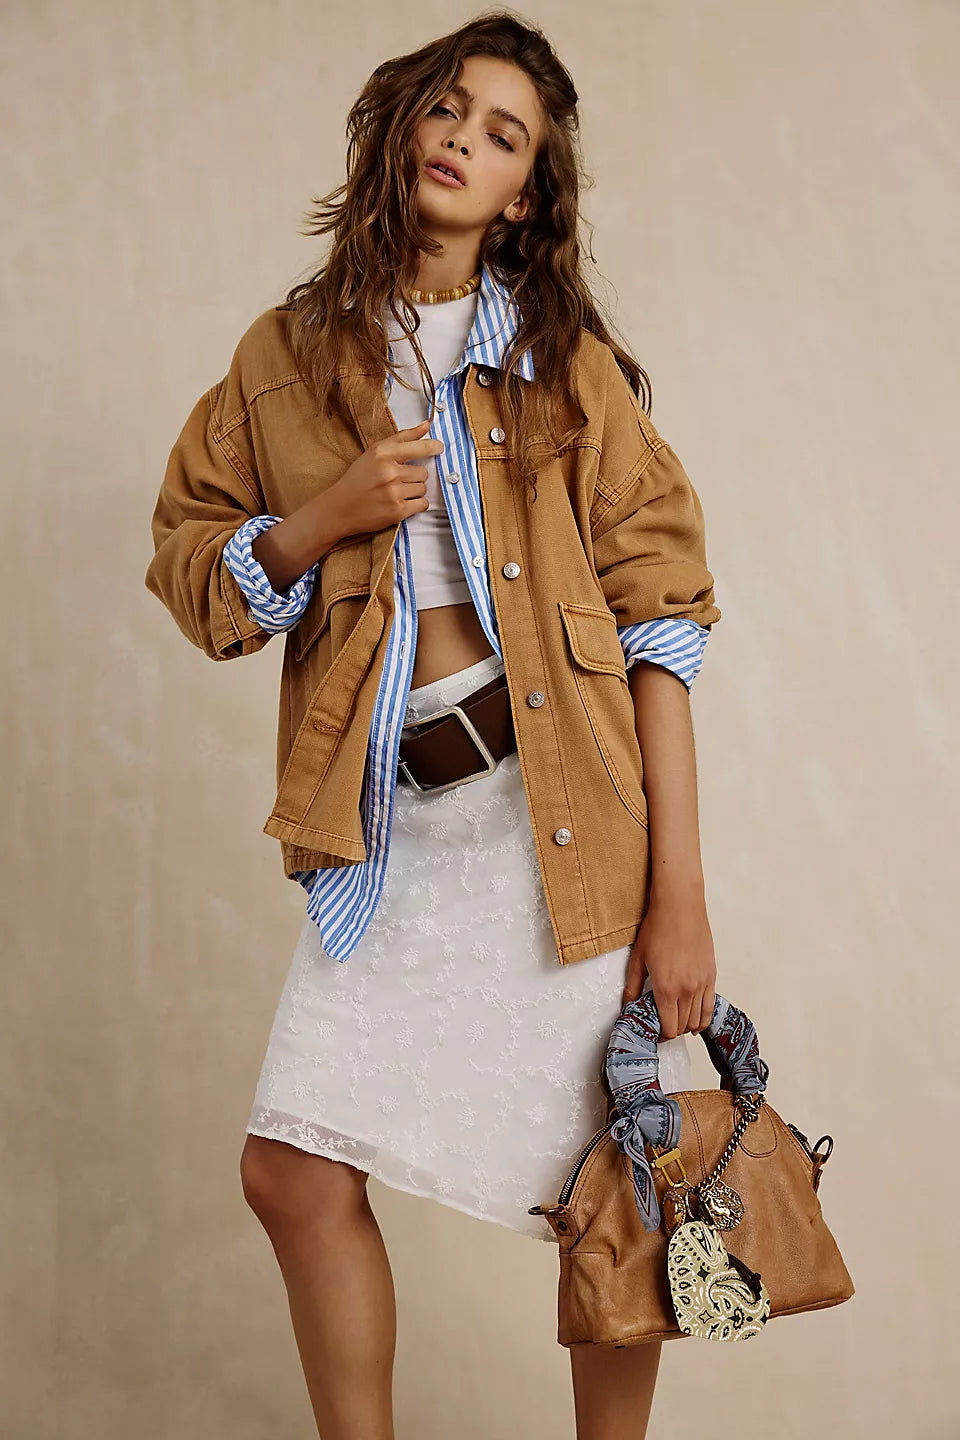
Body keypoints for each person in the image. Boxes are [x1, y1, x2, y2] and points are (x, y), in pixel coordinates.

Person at [144, 13, 723, 1439]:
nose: (465, 138)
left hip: (563, 826)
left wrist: (683, 900)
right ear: (405, 127)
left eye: (504, 132)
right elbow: (194, 570)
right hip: (388, 830)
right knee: (291, 1168)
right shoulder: (282, 356)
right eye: (449, 110)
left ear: (526, 191)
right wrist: (324, 519)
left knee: (619, 1193)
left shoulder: (564, 367)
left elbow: (664, 626)